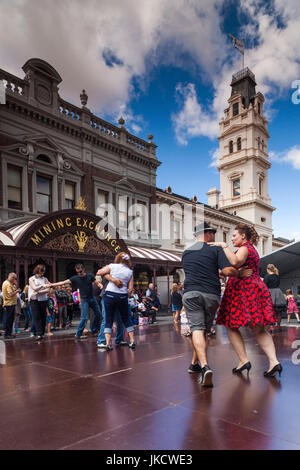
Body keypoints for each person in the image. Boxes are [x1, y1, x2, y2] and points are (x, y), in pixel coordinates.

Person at [182, 222, 253, 387]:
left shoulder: (186, 252)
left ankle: (202, 366)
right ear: (208, 234)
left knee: (197, 330)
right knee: (203, 330)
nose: (214, 236)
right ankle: (198, 365)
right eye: (213, 233)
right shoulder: (215, 249)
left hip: (191, 293)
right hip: (211, 295)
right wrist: (240, 273)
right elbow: (228, 270)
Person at [212, 223, 282, 379]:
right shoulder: (251, 249)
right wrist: (230, 273)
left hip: (244, 290)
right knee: (258, 329)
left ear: (243, 236)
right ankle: (273, 362)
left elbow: (235, 261)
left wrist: (223, 246)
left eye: (234, 235)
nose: (231, 238)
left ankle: (244, 360)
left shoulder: (244, 248)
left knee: (231, 326)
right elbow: (237, 268)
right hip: (252, 288)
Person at [49, 264, 102, 339]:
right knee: (84, 318)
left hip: (92, 298)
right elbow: (63, 282)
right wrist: (52, 284)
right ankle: (78, 334)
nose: (79, 273)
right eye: (78, 272)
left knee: (98, 314)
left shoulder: (90, 276)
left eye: (80, 271)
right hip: (84, 300)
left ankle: (94, 330)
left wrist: (100, 285)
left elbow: (96, 282)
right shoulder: (75, 278)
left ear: (83, 269)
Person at [96, 252, 135, 350]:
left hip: (109, 294)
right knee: (125, 319)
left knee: (108, 319)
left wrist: (113, 280)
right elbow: (130, 290)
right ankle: (132, 340)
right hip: (122, 296)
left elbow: (99, 272)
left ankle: (107, 343)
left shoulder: (111, 266)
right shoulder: (130, 271)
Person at [97, 277, 128, 348]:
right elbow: (98, 275)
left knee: (120, 319)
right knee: (106, 319)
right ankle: (101, 341)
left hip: (118, 297)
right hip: (107, 296)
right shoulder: (109, 270)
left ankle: (119, 339)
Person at [28, 264, 50, 341]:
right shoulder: (32, 279)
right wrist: (42, 286)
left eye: (44, 271)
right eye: (41, 270)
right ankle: (38, 333)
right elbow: (34, 288)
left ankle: (42, 333)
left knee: (43, 316)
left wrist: (38, 292)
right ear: (37, 270)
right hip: (34, 300)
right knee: (36, 316)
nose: (43, 272)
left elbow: (48, 290)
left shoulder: (45, 279)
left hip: (43, 299)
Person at [263, 264, 287, 330]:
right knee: (279, 311)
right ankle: (279, 325)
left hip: (270, 293)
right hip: (278, 293)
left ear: (268, 269)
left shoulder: (267, 276)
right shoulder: (277, 276)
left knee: (270, 310)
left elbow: (265, 286)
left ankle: (271, 325)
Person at [2, 273, 21, 339]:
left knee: (10, 319)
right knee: (9, 320)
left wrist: (15, 286)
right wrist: (17, 291)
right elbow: (10, 294)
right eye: (14, 279)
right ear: (12, 277)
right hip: (9, 304)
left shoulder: (9, 283)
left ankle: (9, 333)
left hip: (11, 304)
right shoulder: (7, 284)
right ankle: (7, 334)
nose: (14, 280)